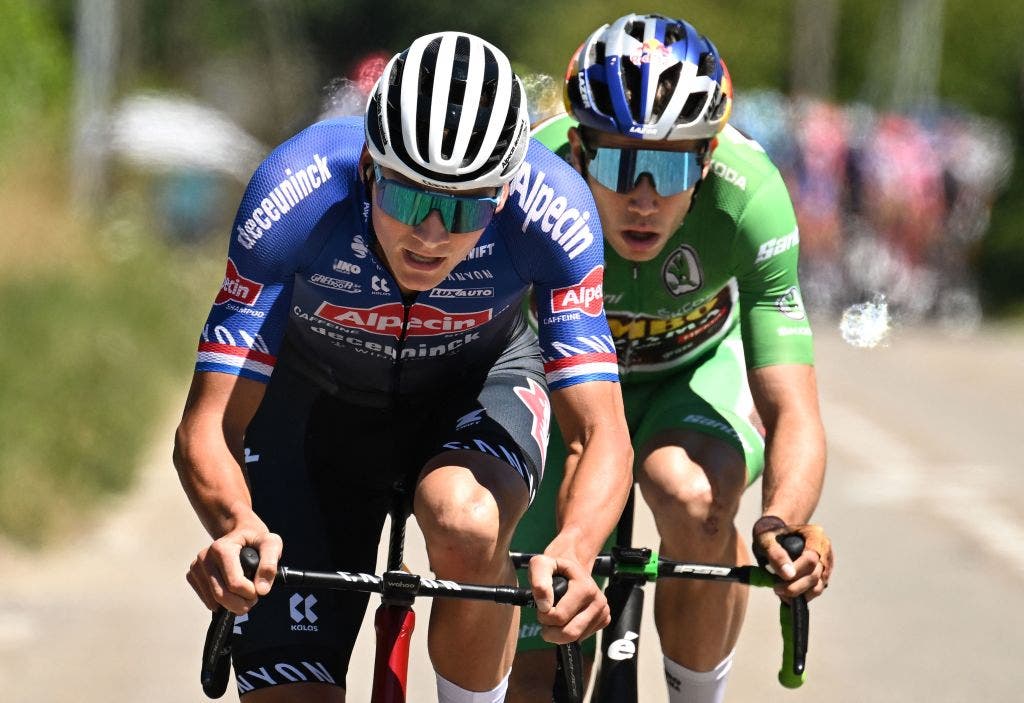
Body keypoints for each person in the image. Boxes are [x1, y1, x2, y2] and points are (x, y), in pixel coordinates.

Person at [173, 31, 633, 703]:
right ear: (368, 167)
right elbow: (209, 423)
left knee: (467, 520)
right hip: (314, 408)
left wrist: (578, 547)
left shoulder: (555, 208)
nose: (431, 233)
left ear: (504, 195)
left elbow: (600, 432)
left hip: (475, 390)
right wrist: (234, 524)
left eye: (465, 206)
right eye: (410, 198)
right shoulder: (295, 190)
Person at [508, 13, 834, 703]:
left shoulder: (753, 200)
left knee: (692, 494)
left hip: (689, 376)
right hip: (562, 381)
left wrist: (782, 519)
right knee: (540, 669)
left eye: (671, 164)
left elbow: (791, 402)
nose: (644, 196)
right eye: (621, 163)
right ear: (578, 149)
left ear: (709, 158)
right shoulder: (528, 184)